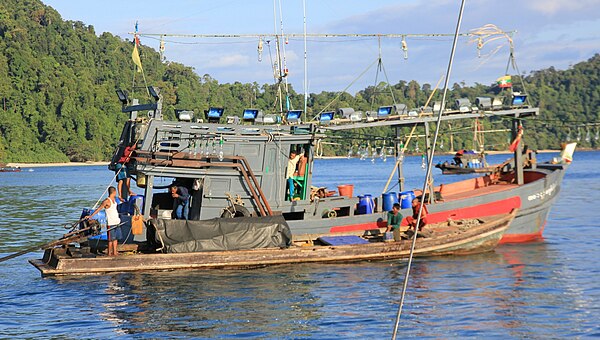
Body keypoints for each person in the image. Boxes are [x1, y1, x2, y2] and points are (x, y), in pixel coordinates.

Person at [85, 186, 121, 256]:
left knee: (116, 238)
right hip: (110, 222)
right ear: (114, 192)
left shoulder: (115, 200)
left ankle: (115, 252)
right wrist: (90, 216)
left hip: (116, 221)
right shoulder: (106, 201)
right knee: (110, 239)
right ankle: (109, 253)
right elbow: (99, 209)